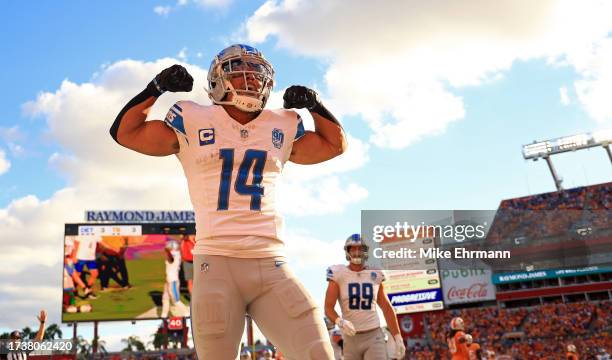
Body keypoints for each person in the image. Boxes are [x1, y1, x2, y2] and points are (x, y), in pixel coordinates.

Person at [110, 43, 346, 359]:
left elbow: (334, 145)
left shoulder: (283, 123)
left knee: (318, 354)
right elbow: (126, 133)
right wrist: (155, 88)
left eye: (256, 73)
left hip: (271, 262)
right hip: (216, 262)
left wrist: (317, 106)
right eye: (240, 72)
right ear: (219, 80)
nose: (250, 79)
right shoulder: (191, 118)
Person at [324, 234, 406, 360]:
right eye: (353, 248)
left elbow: (386, 307)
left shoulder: (375, 273)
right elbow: (328, 307)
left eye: (360, 248)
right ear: (347, 251)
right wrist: (340, 321)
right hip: (350, 337)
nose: (356, 252)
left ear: (365, 251)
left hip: (373, 335)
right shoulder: (338, 274)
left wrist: (398, 336)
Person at [161, 239, 189, 318]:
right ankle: (164, 316)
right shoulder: (176, 253)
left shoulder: (174, 254)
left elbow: (171, 259)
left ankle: (187, 314)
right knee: (165, 298)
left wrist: (167, 251)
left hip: (173, 281)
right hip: (169, 280)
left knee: (176, 301)